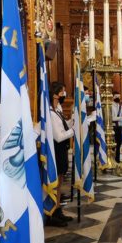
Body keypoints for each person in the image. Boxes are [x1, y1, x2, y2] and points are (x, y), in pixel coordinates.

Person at [49, 81, 74, 227]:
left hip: (61, 150)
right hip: (56, 150)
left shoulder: (57, 110)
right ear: (55, 95)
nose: (64, 94)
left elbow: (63, 127)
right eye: (62, 92)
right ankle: (53, 212)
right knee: (56, 183)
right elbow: (58, 136)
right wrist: (74, 131)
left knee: (60, 182)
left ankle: (58, 210)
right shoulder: (51, 113)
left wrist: (73, 121)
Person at [112, 91, 122, 162]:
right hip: (113, 128)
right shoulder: (110, 106)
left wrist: (120, 118)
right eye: (116, 96)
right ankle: (111, 160)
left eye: (119, 97)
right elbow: (112, 118)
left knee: (119, 144)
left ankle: (117, 160)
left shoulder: (121, 107)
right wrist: (121, 118)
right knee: (113, 144)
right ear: (113, 97)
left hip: (119, 127)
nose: (117, 98)